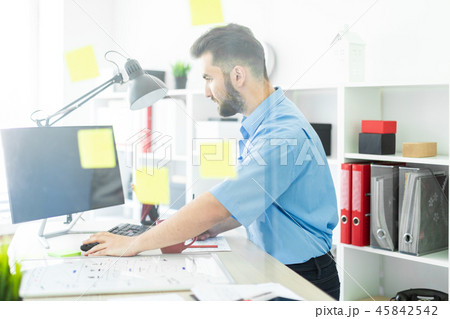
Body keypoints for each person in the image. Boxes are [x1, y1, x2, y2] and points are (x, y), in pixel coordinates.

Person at [83, 23, 340, 300]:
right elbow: (256, 201)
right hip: (280, 267)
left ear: (238, 75)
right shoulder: (261, 123)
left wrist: (134, 243)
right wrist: (211, 227)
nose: (206, 91)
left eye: (208, 78)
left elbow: (217, 204)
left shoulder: (281, 134)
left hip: (302, 276)